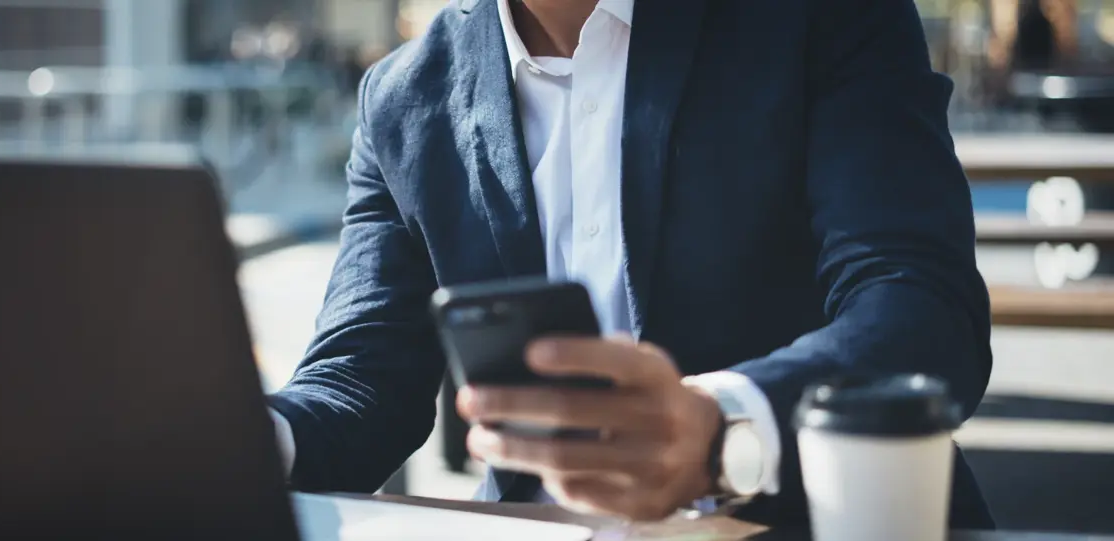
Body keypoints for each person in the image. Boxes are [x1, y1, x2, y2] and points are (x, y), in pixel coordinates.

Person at [267, 0, 996, 528]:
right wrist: (241, 440)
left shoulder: (819, 17)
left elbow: (921, 311)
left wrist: (721, 428)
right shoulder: (404, 97)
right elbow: (359, 380)